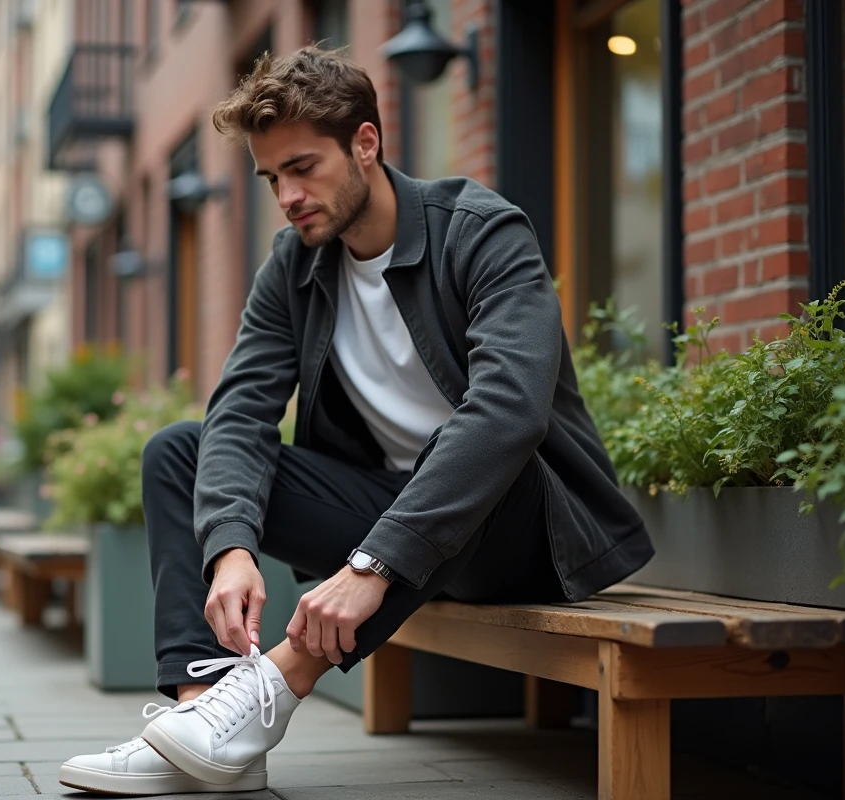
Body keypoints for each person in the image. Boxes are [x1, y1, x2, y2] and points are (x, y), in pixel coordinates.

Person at [59, 47, 654, 796]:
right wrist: (230, 547)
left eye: (303, 167)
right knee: (179, 450)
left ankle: (271, 690)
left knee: (476, 440)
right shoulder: (293, 266)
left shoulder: (480, 231)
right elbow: (240, 410)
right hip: (390, 512)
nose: (287, 195)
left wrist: (373, 564)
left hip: (523, 529)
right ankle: (201, 723)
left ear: (365, 143)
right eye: (272, 178)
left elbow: (510, 410)